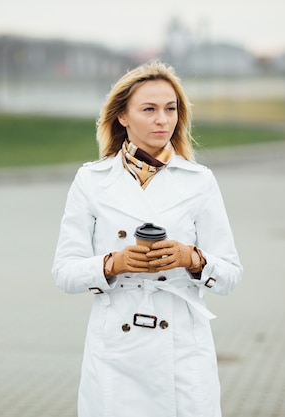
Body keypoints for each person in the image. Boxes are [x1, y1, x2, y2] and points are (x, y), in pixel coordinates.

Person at [51, 60, 243, 417]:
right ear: (122, 116)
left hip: (183, 353)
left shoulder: (199, 181)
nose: (162, 120)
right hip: (115, 353)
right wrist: (113, 264)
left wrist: (191, 258)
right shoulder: (92, 181)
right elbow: (64, 272)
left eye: (171, 109)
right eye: (149, 109)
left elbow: (231, 274)